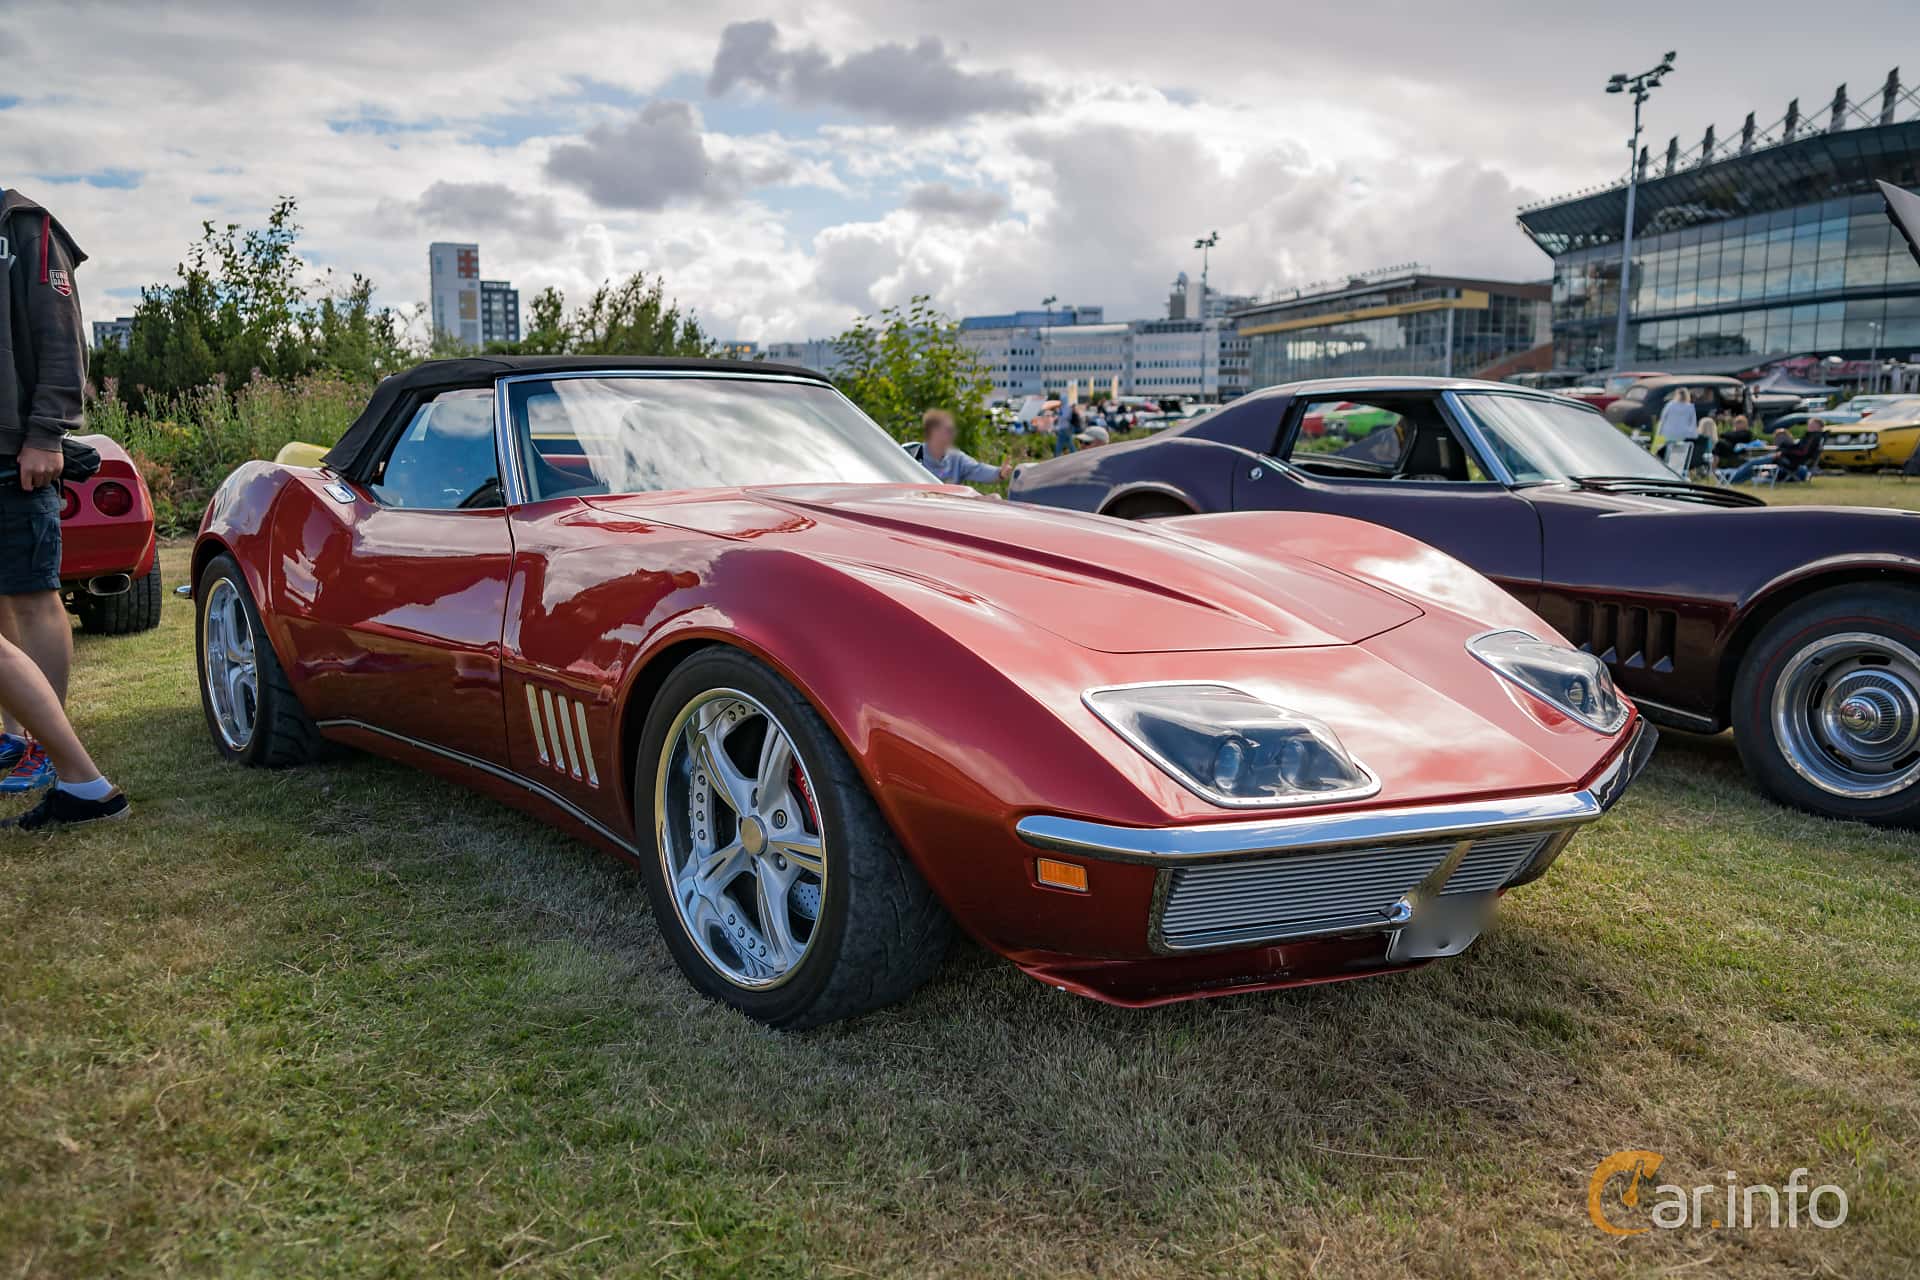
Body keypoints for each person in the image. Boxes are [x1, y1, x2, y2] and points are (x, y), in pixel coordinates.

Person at [0, 186, 125, 826]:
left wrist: (46, 431)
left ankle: (54, 757)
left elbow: (59, 336)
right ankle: (16, 740)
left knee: (31, 595)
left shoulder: (23, 226)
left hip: (13, 450)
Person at [916, 408, 1010, 486]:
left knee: (994, 497)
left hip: (948, 506)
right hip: (918, 505)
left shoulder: (956, 458)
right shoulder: (914, 455)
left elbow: (978, 469)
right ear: (934, 432)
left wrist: (999, 473)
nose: (953, 434)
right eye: (949, 430)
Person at [1727, 419, 1822, 485]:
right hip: (1790, 459)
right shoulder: (1813, 437)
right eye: (1809, 424)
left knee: (1752, 463)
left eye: (1812, 424)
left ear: (1818, 427)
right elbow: (1799, 449)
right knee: (1754, 464)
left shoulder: (1813, 437)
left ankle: (1731, 480)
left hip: (1789, 461)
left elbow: (1802, 452)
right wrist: (1785, 448)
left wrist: (1784, 452)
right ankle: (1735, 479)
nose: (1809, 426)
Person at [1656, 387, 1700, 474]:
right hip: (1682, 434)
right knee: (1678, 454)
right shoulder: (1690, 407)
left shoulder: (1670, 405)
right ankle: (1676, 471)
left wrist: (1659, 432)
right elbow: (1692, 423)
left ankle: (1666, 470)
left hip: (1668, 433)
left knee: (1667, 453)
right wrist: (1693, 435)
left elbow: (1663, 418)